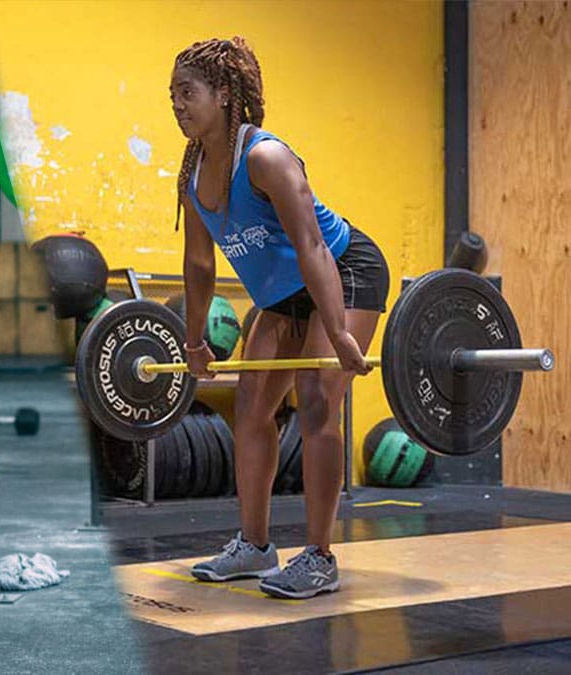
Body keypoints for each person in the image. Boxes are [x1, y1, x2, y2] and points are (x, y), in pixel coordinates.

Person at [170, 37, 389, 599]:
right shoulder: (193, 173)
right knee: (251, 407)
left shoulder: (265, 157)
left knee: (317, 400)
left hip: (345, 270)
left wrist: (338, 329)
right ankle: (255, 545)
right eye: (171, 94)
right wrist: (194, 342)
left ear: (223, 94)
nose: (177, 103)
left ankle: (318, 557)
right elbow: (198, 264)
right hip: (283, 295)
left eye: (187, 92)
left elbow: (312, 245)